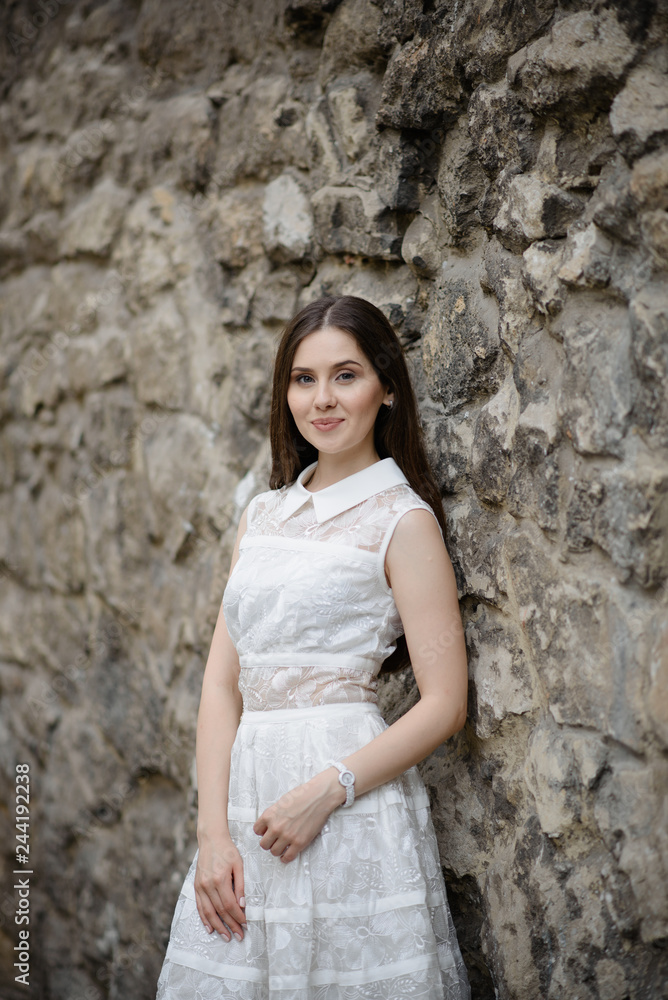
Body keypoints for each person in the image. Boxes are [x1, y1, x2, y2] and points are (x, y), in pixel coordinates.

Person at [156, 295, 471, 999]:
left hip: (347, 806)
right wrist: (212, 836)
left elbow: (446, 703)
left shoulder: (402, 519)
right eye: (303, 378)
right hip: (245, 808)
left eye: (346, 376)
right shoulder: (264, 515)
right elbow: (220, 685)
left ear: (387, 389)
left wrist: (328, 791)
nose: (322, 399)